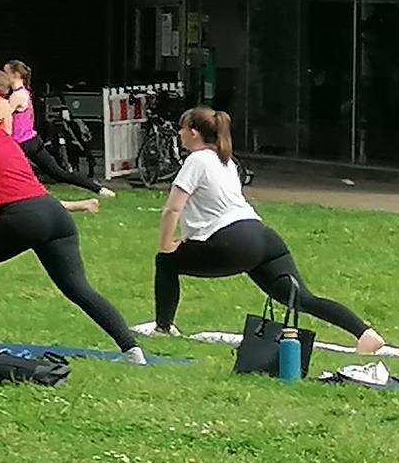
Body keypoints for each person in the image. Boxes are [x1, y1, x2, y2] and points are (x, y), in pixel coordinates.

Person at [151, 107, 386, 352]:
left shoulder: (197, 160)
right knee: (301, 298)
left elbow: (173, 209)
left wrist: (166, 245)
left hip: (233, 242)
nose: (179, 134)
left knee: (166, 262)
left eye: (182, 129)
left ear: (193, 132)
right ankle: (364, 333)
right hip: (263, 237)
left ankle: (163, 328)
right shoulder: (226, 161)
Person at [0, 84, 144, 361]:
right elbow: (9, 192)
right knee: (77, 288)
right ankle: (132, 349)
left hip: (22, 216)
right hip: (53, 213)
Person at [1, 61, 114, 199]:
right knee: (57, 173)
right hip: (31, 140)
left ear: (16, 74)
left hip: (22, 143)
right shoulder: (23, 92)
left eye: (6, 73)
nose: (3, 76)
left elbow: (2, 116)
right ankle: (98, 189)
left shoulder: (17, 95)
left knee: (52, 173)